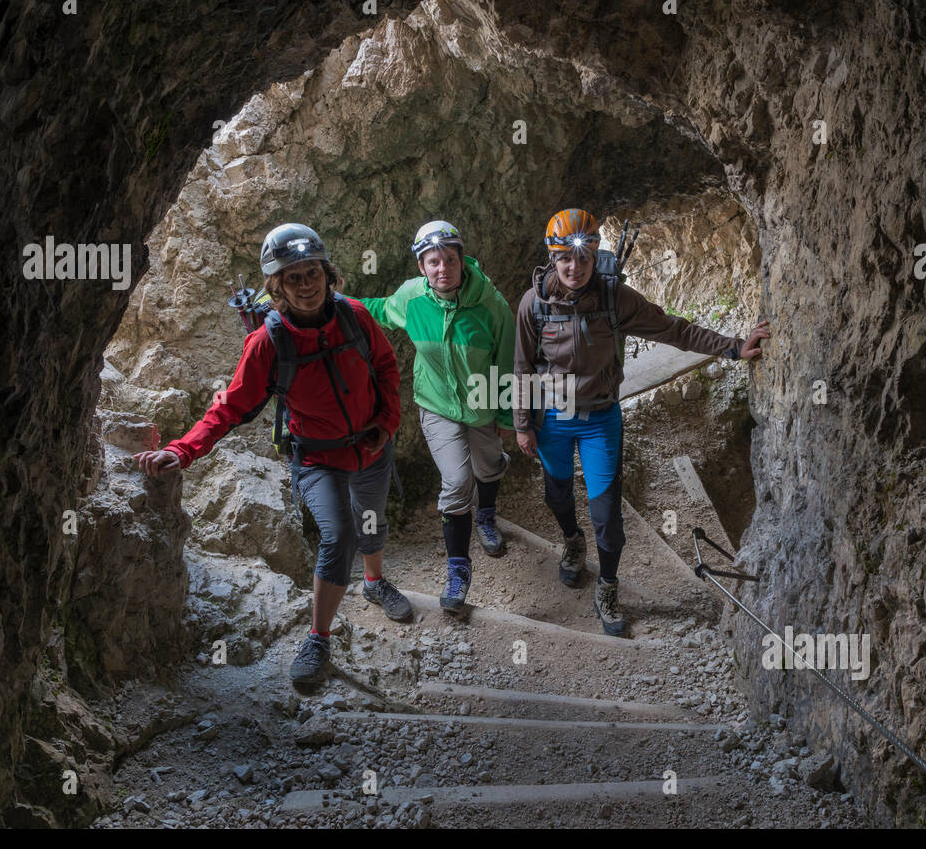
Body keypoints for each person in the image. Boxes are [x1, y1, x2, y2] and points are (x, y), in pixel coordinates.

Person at [135, 223, 406, 691]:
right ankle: (319, 639)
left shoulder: (356, 317)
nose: (306, 284)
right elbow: (231, 407)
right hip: (317, 458)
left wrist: (386, 424)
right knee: (338, 534)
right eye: (293, 277)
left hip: (370, 446)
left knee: (371, 518)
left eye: (312, 272)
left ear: (327, 273)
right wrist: (183, 450)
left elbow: (385, 367)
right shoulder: (267, 342)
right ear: (276, 287)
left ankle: (375, 581)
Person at [513, 208, 771, 636]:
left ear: (594, 256)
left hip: (599, 419)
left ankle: (608, 585)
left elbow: (673, 330)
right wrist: (523, 424)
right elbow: (522, 367)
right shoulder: (533, 304)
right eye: (565, 258)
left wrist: (732, 347)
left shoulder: (616, 298)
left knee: (608, 515)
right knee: (557, 497)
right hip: (553, 419)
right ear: (553, 257)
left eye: (583, 257)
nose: (574, 267)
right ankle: (572, 543)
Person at [358, 221, 516, 613]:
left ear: (462, 260)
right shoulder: (413, 298)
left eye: (449, 259)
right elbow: (376, 309)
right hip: (436, 404)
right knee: (458, 482)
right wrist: (333, 301)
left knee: (490, 464)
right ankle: (458, 571)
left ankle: (487, 515)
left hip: (482, 400)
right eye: (433, 262)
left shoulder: (491, 305)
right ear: (421, 267)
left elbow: (509, 362)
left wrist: (508, 416)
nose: (442, 268)